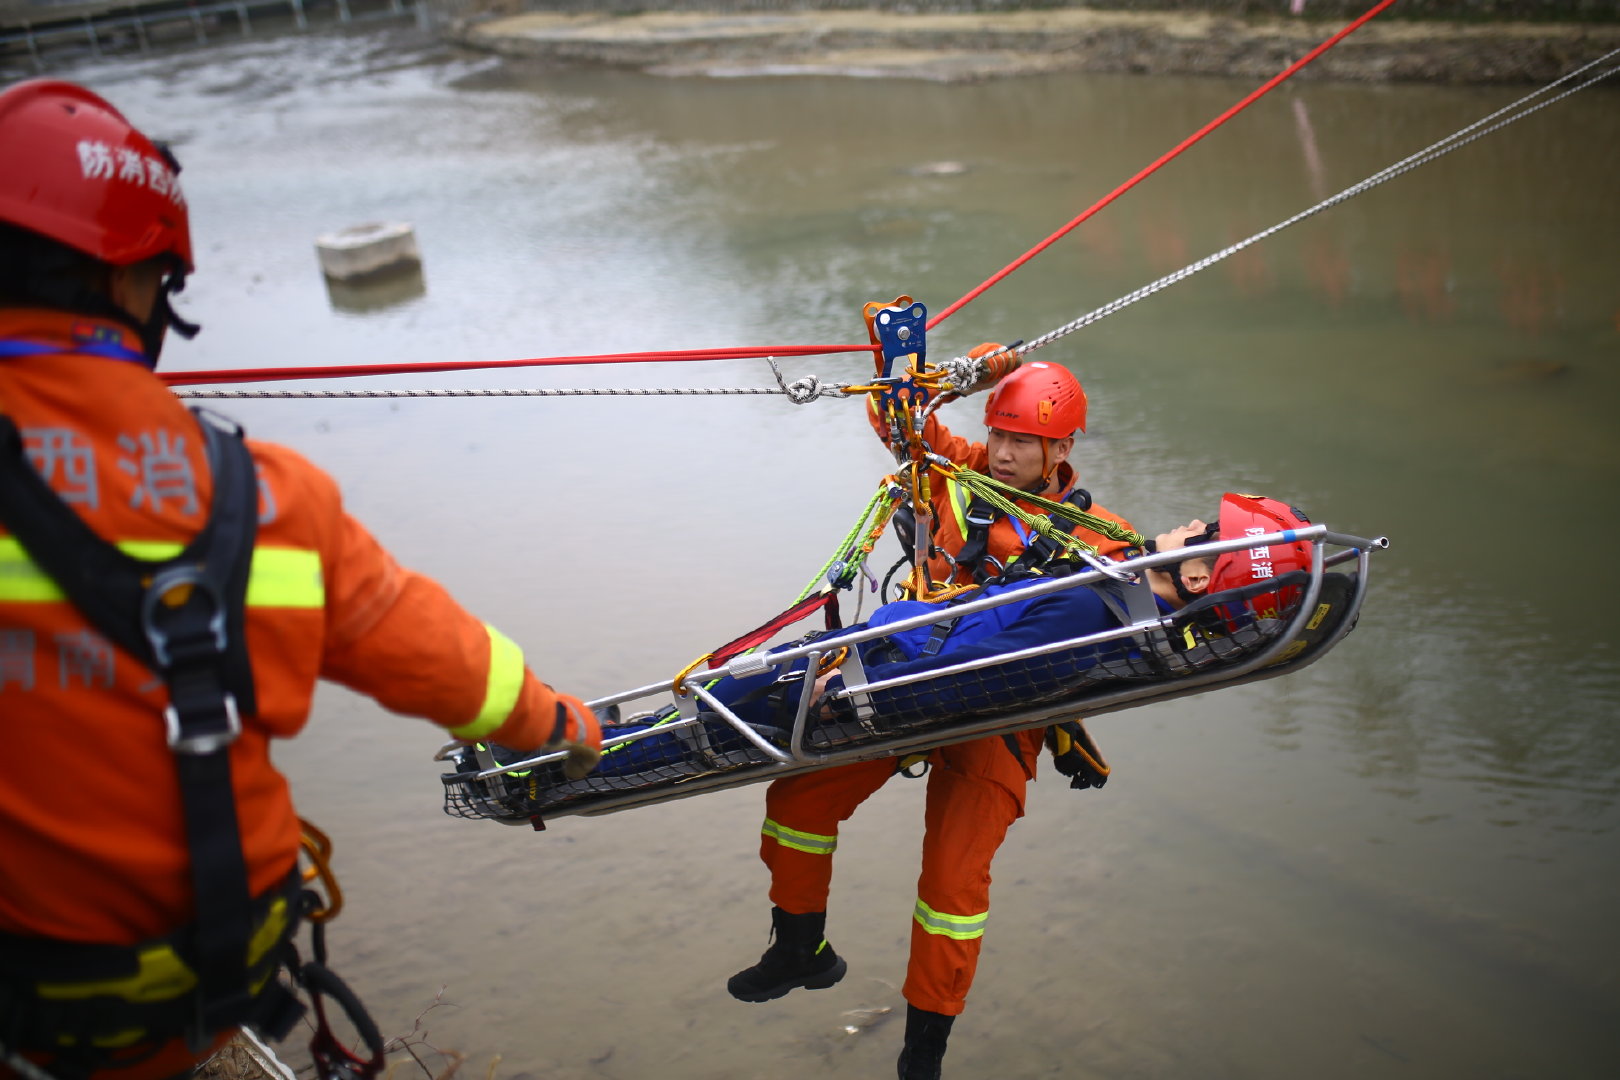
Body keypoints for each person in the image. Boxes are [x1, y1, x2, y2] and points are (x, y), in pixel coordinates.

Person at [0, 80, 602, 1080]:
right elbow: (434, 651)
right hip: (196, 987)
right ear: (136, 281)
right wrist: (557, 724)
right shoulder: (260, 496)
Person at [727, 348, 1146, 1079]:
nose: (1005, 452)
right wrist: (963, 370)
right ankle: (800, 950)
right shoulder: (954, 474)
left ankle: (924, 1051)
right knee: (798, 800)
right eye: (999, 433)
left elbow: (1146, 597)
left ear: (1061, 450)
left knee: (952, 886)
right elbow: (895, 413)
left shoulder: (1095, 534)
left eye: (1023, 441)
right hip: (903, 683)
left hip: (1001, 718)